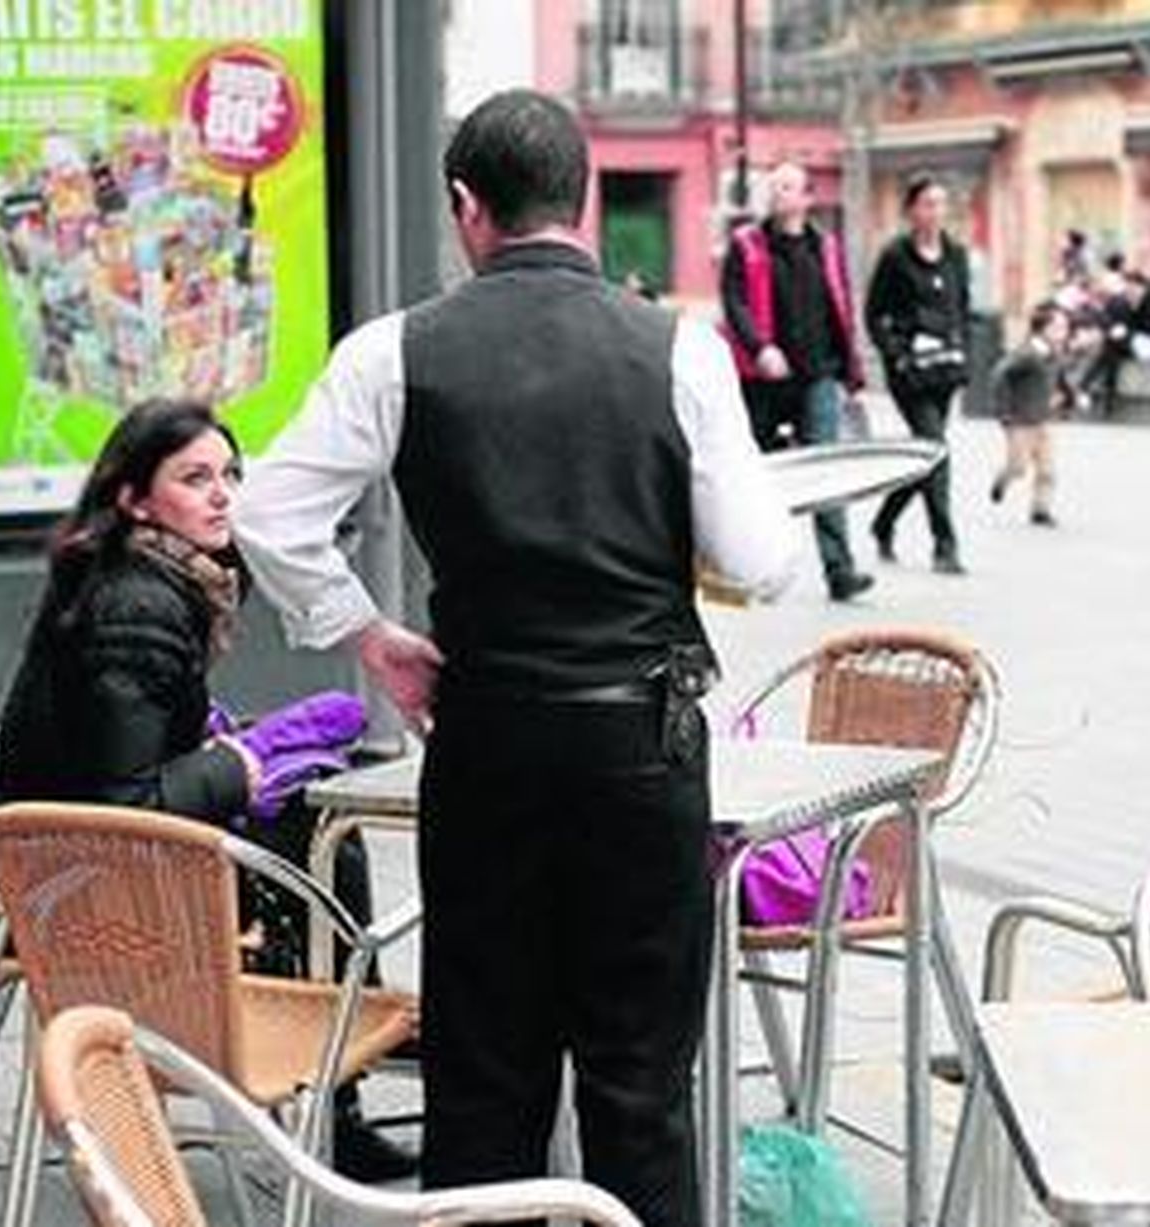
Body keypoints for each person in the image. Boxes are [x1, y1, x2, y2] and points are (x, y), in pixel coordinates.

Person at [234, 90, 798, 1227]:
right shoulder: (677, 349)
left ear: (464, 207)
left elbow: (269, 517)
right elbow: (759, 557)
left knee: (484, 1076)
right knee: (640, 1087)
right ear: (582, 200)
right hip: (641, 746)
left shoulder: (393, 352)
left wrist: (369, 635)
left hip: (485, 739)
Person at [0, 400, 416, 1180]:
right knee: (314, 842)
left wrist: (229, 750)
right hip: (71, 889)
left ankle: (345, 1064)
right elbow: (128, 806)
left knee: (310, 828)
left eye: (230, 475)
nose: (223, 494)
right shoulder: (139, 607)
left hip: (47, 858)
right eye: (195, 478)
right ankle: (340, 1073)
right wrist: (241, 762)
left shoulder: (139, 577)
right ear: (135, 498)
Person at [721, 160, 873, 602]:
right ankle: (754, 571)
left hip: (818, 374)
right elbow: (735, 305)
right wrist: (760, 348)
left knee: (826, 469)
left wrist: (850, 369)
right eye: (775, 187)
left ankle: (840, 570)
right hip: (762, 378)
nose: (778, 194)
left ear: (807, 197)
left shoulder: (826, 248)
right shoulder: (746, 244)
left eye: (788, 187)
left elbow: (842, 307)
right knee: (758, 476)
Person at [865, 172, 972, 574]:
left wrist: (962, 350)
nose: (935, 212)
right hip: (909, 372)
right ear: (911, 210)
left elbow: (961, 308)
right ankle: (945, 545)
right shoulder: (895, 255)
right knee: (936, 449)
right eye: (927, 203)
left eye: (941, 204)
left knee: (926, 453)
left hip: (943, 369)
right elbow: (874, 315)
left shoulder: (955, 253)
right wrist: (895, 353)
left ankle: (884, 522)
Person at [989, 302, 1072, 527]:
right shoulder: (1027, 354)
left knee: (1047, 469)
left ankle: (1040, 510)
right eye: (1059, 327)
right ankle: (1003, 479)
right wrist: (1004, 412)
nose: (1064, 332)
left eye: (1065, 327)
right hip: (1020, 421)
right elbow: (1000, 375)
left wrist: (1069, 398)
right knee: (1019, 467)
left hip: (1043, 420)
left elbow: (1060, 380)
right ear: (1043, 329)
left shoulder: (1055, 353)